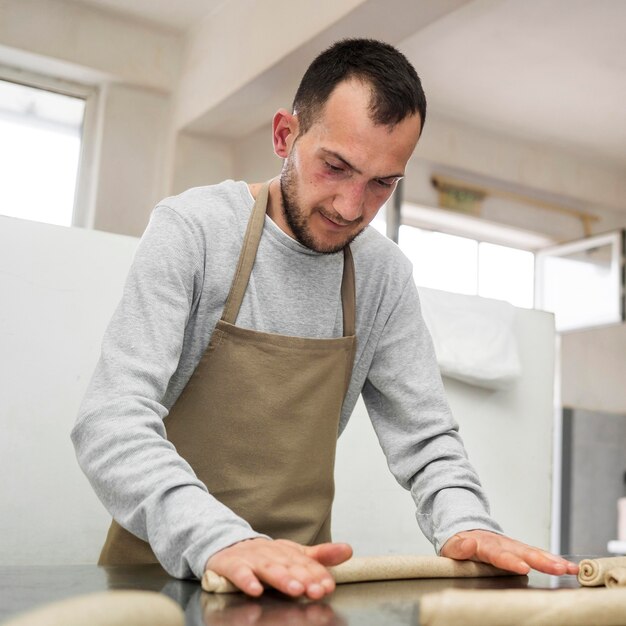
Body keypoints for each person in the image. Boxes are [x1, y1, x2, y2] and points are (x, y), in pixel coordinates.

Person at [71, 38, 578, 600]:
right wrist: (221, 539)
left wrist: (467, 523)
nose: (351, 207)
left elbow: (426, 437)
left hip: (299, 586)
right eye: (335, 167)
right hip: (158, 580)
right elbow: (110, 421)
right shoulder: (195, 230)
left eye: (383, 182)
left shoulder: (383, 276)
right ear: (286, 135)